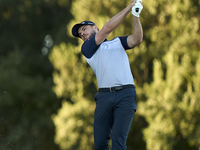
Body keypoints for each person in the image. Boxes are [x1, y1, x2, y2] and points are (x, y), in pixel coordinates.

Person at [71, 0, 143, 149]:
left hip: (126, 95)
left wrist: (135, 14)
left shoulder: (118, 42)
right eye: (80, 34)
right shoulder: (87, 49)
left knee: (118, 142)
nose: (82, 34)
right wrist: (128, 7)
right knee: (100, 144)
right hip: (104, 97)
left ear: (94, 27)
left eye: (84, 29)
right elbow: (108, 28)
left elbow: (137, 39)